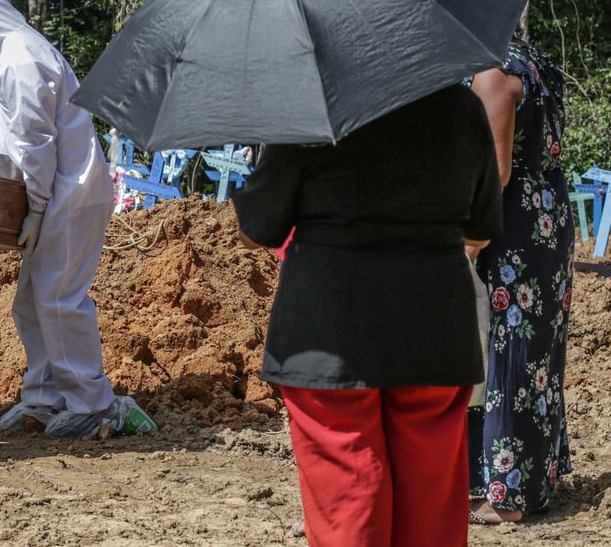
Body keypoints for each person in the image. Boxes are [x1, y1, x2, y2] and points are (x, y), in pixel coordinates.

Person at [233, 84, 503, 547]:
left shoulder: (309, 109)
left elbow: (257, 229)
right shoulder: (461, 107)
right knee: (431, 504)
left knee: (349, 498)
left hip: (331, 333)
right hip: (433, 327)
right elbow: (481, 225)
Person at [0, 0, 155, 439]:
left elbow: (34, 145)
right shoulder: (11, 54)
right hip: (55, 194)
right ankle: (44, 397)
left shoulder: (22, 57)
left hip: (68, 195)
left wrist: (37, 209)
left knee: (60, 299)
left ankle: (94, 403)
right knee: (30, 303)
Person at [467, 42, 574, 523]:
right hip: (547, 216)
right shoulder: (532, 60)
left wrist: (468, 243)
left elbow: (497, 170)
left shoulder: (492, 75)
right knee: (539, 359)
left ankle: (506, 497)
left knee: (509, 355)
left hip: (514, 230)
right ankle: (532, 478)